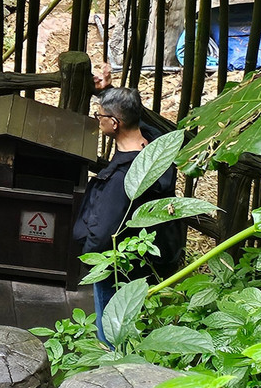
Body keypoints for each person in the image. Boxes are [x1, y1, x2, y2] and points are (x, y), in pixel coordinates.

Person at [72, 86, 184, 346]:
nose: (98, 120)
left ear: (114, 123)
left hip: (117, 266)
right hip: (150, 258)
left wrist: (89, 255)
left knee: (112, 333)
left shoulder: (122, 179)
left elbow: (103, 232)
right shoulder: (155, 148)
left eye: (100, 115)